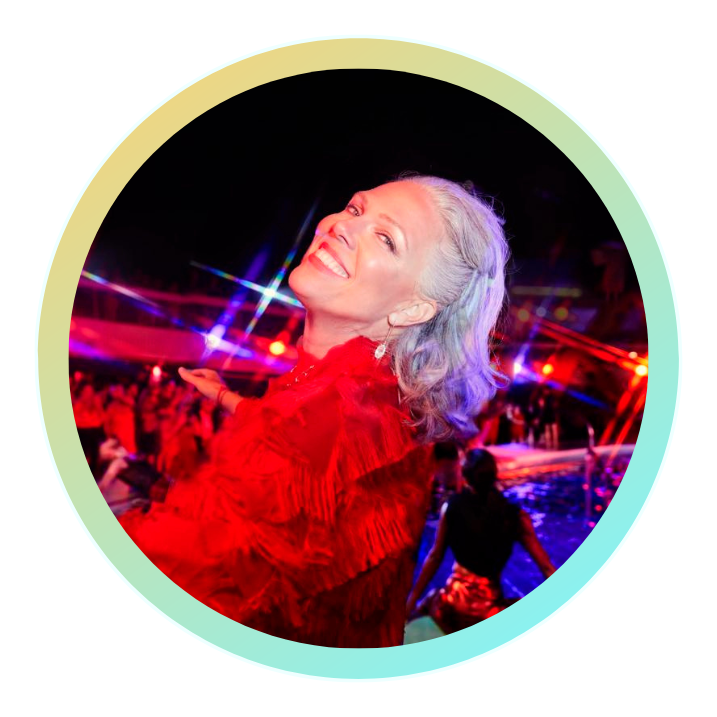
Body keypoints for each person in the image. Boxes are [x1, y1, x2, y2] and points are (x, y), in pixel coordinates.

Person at [119, 174, 509, 648]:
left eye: (386, 239)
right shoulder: (367, 393)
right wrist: (224, 396)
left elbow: (171, 579)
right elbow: (292, 445)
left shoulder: (339, 415)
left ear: (412, 307)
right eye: (354, 209)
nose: (343, 226)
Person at [406, 448, 555, 634]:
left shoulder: (451, 508)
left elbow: (435, 557)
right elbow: (547, 568)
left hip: (452, 609)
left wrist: (411, 600)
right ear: (494, 475)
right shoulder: (515, 516)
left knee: (430, 600)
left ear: (465, 476)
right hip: (490, 613)